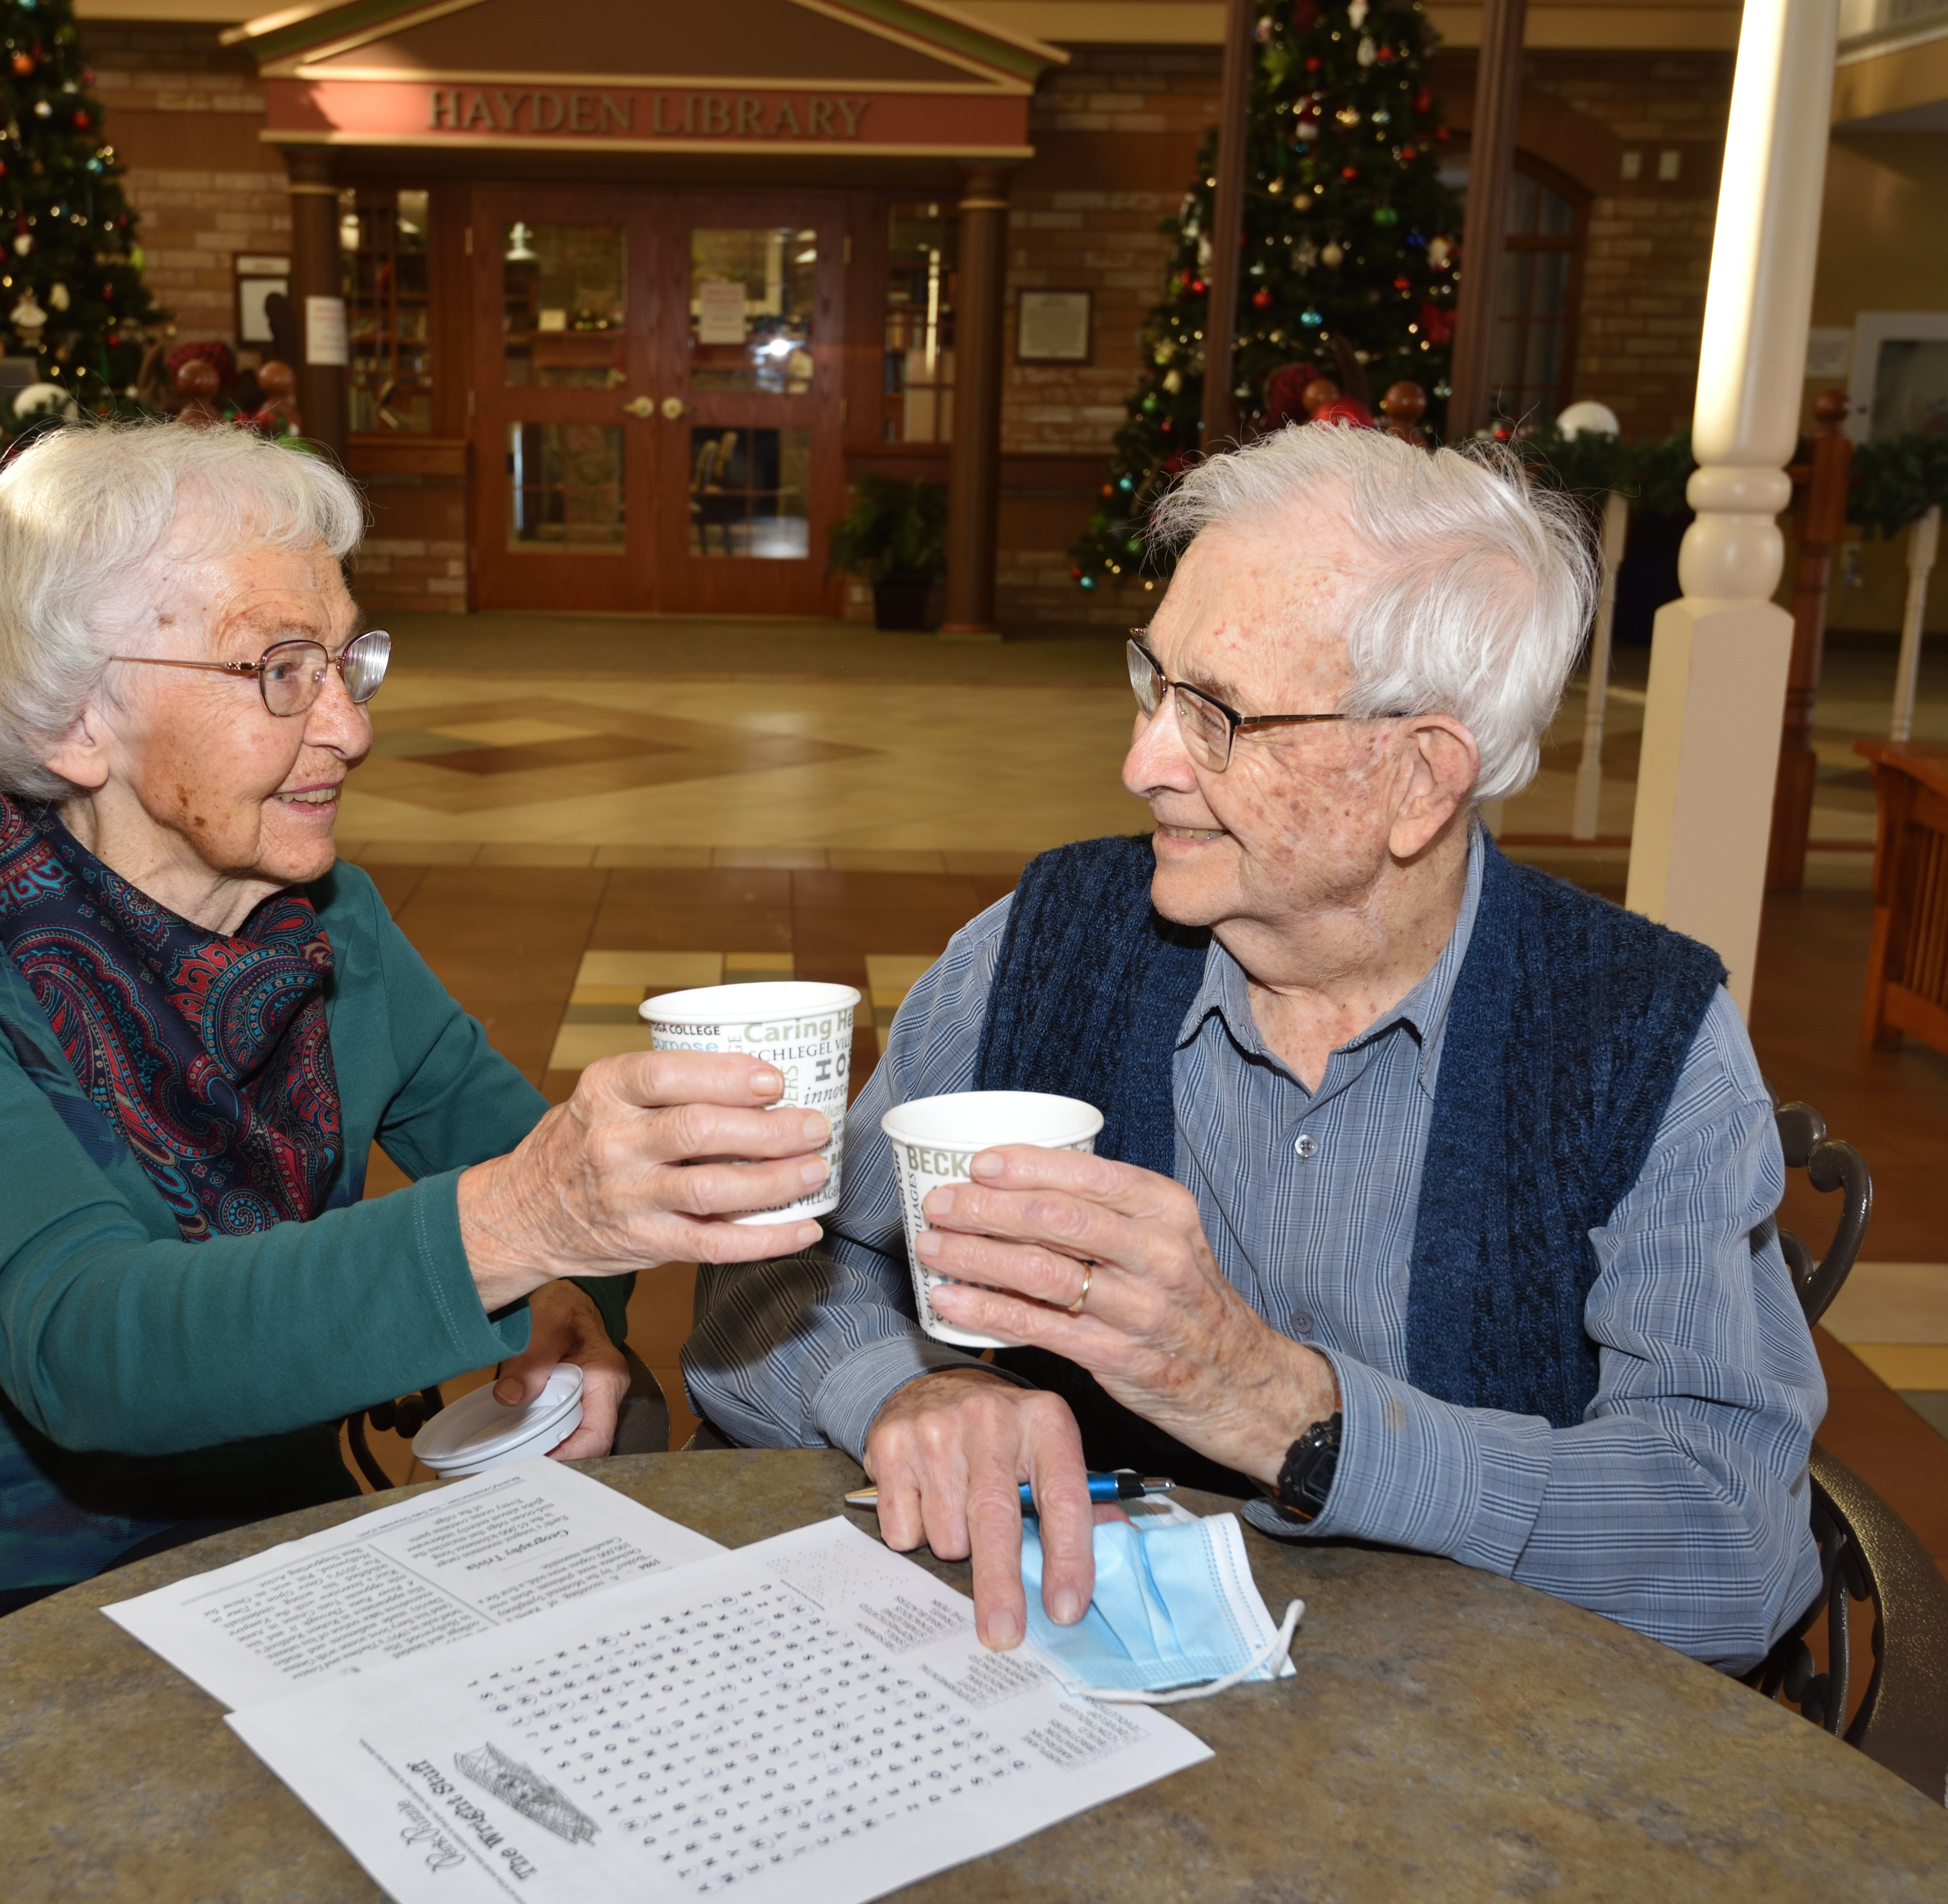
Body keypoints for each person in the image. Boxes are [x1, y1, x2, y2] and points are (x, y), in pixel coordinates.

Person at [0, 420, 831, 1772]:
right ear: (76, 716)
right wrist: (530, 1225)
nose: (350, 729)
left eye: (347, 661)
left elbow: (519, 1161)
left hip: (263, 1554)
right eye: (277, 670)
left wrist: (559, 1310)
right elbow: (90, 1349)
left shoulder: (324, 922)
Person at [685, 423, 1827, 1676]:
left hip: (1462, 1760)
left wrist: (1288, 1411)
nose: (1142, 762)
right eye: (1154, 683)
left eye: (1218, 715)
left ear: (1417, 779)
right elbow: (765, 1278)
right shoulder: (1043, 950)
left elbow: (1734, 1547)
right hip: (1058, 1704)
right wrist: (903, 1394)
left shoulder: (1636, 1036)